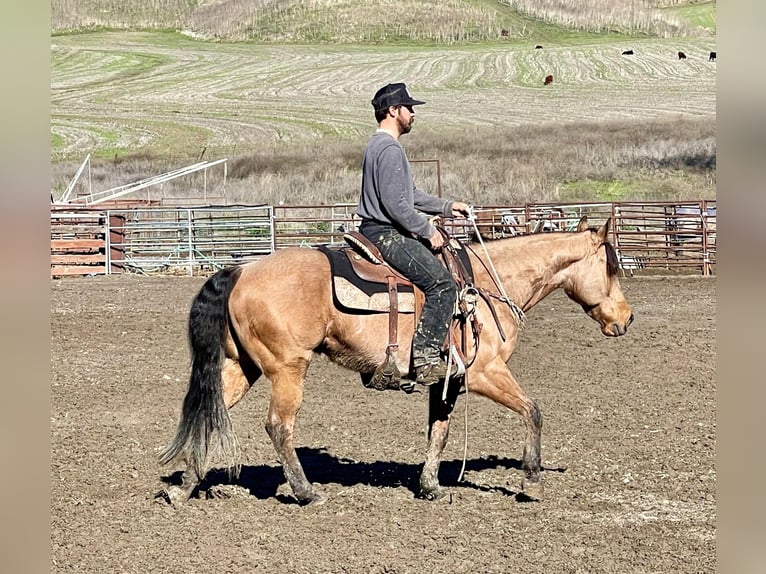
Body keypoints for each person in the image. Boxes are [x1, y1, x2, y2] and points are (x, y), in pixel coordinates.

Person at [357, 82, 471, 386]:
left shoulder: (376, 145)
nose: (413, 114)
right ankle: (425, 358)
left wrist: (447, 206)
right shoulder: (390, 149)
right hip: (386, 233)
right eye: (409, 108)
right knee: (443, 284)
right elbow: (397, 206)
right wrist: (427, 229)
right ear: (394, 111)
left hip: (373, 229)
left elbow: (410, 194)